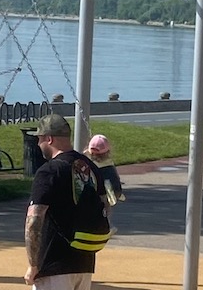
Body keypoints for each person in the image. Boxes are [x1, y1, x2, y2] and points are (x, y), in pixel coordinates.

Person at [25, 114, 115, 289]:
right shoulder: (90, 166)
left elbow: (34, 220)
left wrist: (33, 265)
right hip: (84, 261)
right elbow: (106, 207)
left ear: (49, 139)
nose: (38, 144)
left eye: (40, 139)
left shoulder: (49, 171)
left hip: (53, 263)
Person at [86, 135, 125, 202]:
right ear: (107, 152)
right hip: (100, 202)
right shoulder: (108, 169)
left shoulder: (83, 163)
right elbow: (115, 191)